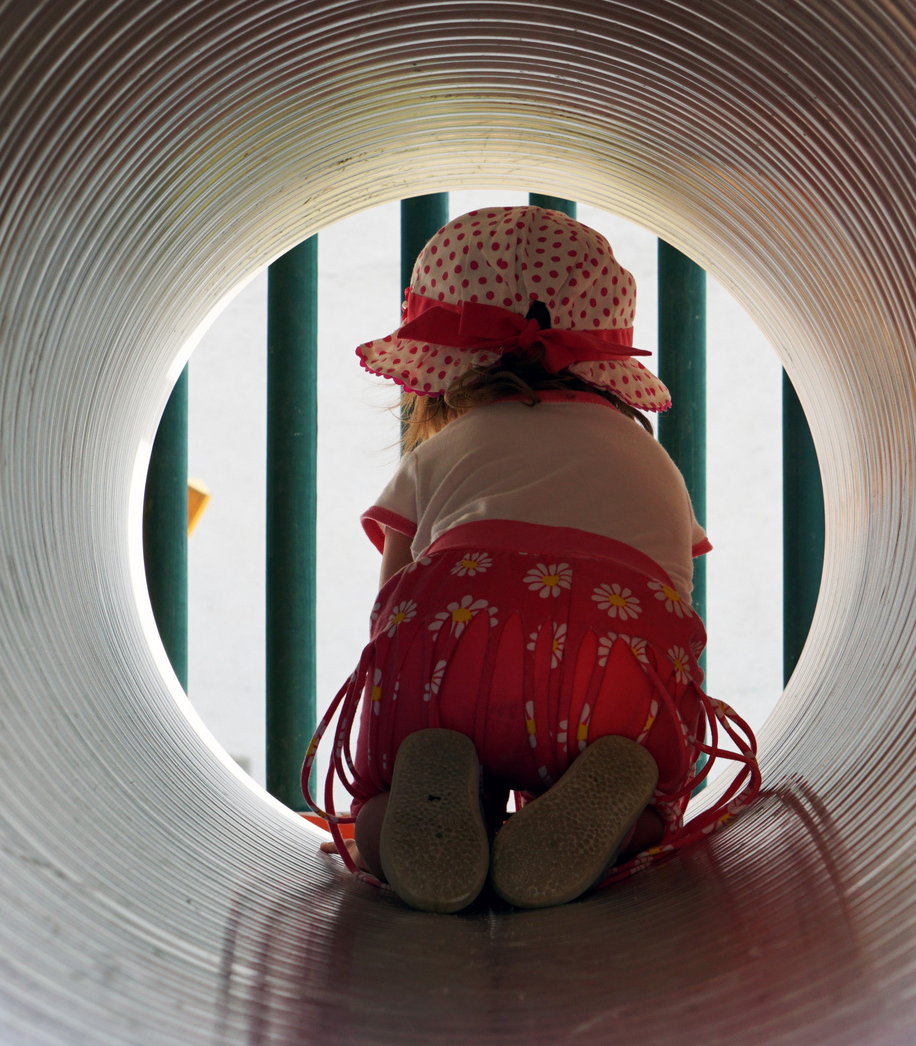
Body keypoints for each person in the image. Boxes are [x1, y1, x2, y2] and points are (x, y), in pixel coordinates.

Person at [303, 205, 760, 913]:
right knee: (651, 802)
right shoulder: (650, 460)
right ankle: (608, 818)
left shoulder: (441, 450)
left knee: (384, 805)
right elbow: (676, 603)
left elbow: (392, 603)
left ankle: (425, 810)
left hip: (456, 650)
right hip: (610, 669)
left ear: (442, 370)